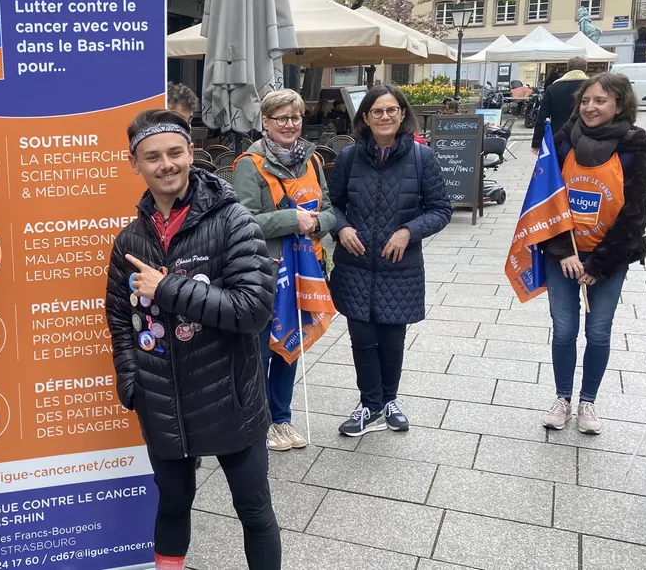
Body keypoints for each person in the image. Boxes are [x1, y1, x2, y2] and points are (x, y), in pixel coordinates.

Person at [105, 109, 279, 570]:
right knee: (172, 504)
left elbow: (253, 309)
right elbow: (119, 317)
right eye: (153, 157)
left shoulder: (233, 220)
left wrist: (167, 288)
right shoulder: (129, 240)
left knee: (254, 508)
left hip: (230, 394)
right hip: (162, 401)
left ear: (190, 153)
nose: (166, 165)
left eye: (175, 153)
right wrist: (132, 382)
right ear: (135, 164)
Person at [327, 84, 453, 436]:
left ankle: (389, 400)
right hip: (355, 264)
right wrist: (341, 227)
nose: (385, 116)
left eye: (391, 110)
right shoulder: (349, 157)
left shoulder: (422, 158)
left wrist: (408, 232)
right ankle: (369, 404)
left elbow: (441, 209)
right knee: (362, 338)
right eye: (377, 111)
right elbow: (331, 203)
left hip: (400, 267)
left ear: (402, 114)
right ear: (365, 118)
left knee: (393, 338)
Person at [539, 74, 646, 434]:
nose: (590, 107)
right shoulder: (563, 141)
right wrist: (562, 251)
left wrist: (600, 264)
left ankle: (588, 401)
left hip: (609, 258)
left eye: (600, 101)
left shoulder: (635, 148)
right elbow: (544, 200)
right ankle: (562, 398)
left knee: (599, 331)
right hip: (563, 255)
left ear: (619, 104)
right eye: (586, 100)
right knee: (564, 330)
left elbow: (636, 214)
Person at [233, 89, 334, 451]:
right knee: (261, 351)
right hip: (267, 273)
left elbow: (330, 210)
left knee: (290, 346)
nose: (290, 125)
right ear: (266, 121)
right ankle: (258, 421)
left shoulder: (313, 161)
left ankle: (282, 418)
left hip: (306, 269)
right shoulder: (250, 164)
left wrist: (317, 222)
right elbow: (243, 221)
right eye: (281, 118)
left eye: (295, 117)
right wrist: (292, 219)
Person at [533, 57, 590, 154]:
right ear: (585, 68)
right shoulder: (591, 87)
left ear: (568, 68)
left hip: (558, 136)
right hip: (586, 136)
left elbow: (542, 116)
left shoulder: (553, 88)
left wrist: (536, 143)